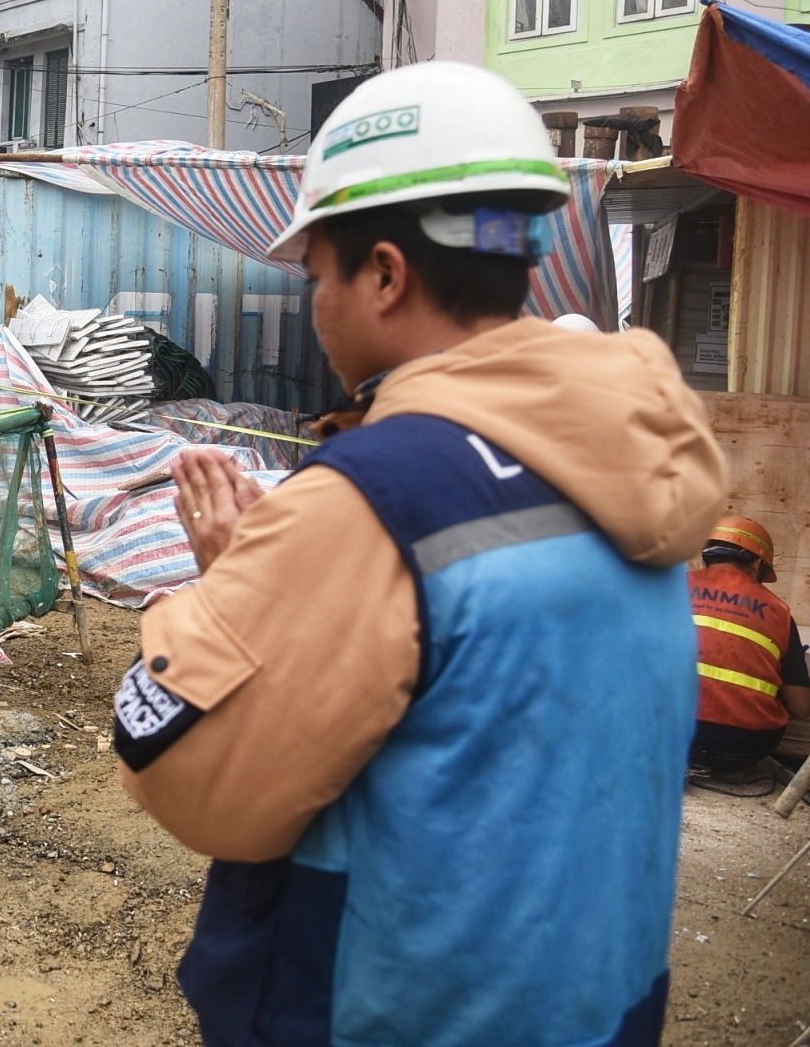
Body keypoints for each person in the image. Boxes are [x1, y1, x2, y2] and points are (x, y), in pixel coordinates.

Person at [115, 60, 725, 1047]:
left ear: (386, 274)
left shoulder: (373, 500)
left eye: (318, 275)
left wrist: (231, 585)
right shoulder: (629, 464)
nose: (314, 304)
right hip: (596, 1006)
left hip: (391, 1014)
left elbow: (198, 782)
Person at [688, 515, 810, 772]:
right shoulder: (778, 612)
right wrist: (803, 667)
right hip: (746, 747)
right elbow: (802, 707)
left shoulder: (668, 589)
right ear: (757, 564)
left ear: (706, 557)